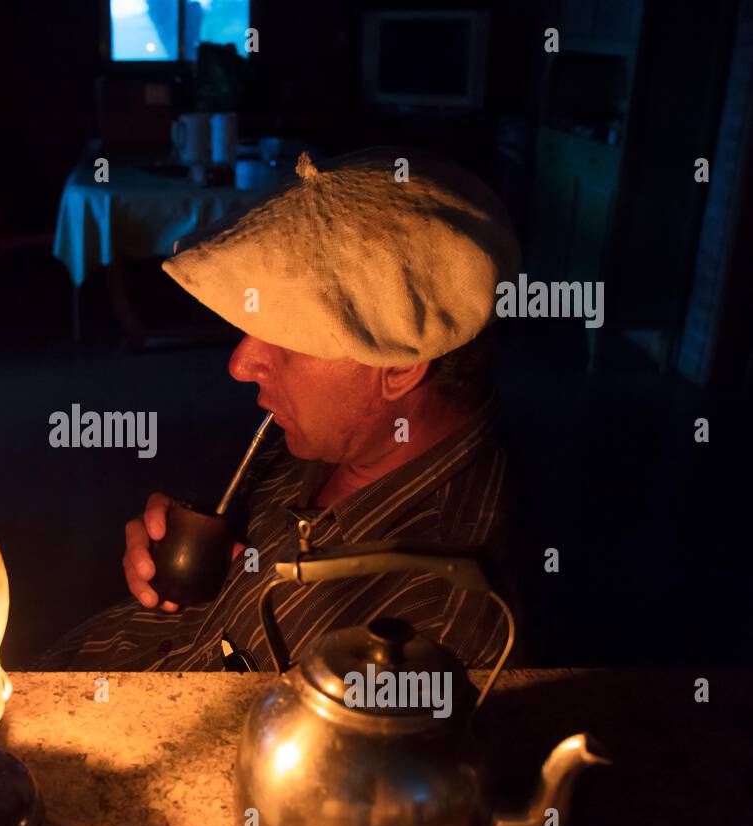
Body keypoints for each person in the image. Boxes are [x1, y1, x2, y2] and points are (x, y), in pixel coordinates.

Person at [37, 148, 522, 672]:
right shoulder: (338, 436)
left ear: (400, 367)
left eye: (286, 333)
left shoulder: (437, 627)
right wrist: (198, 537)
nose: (241, 364)